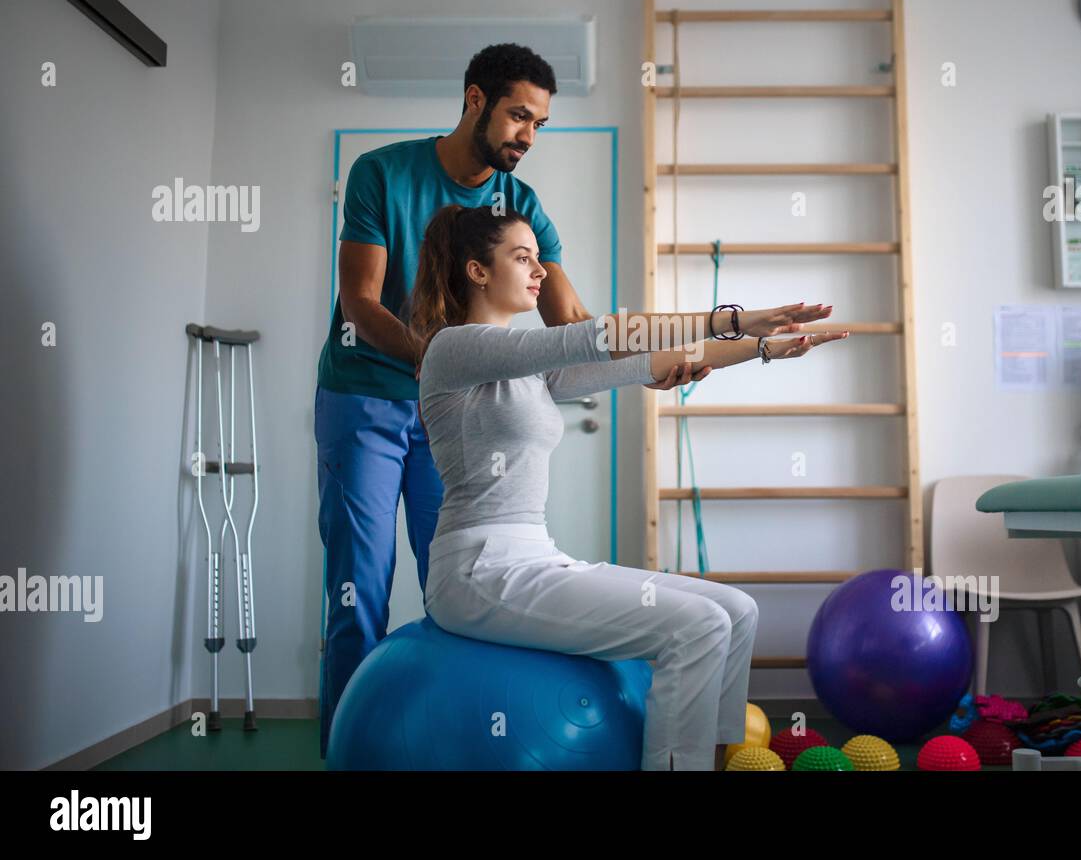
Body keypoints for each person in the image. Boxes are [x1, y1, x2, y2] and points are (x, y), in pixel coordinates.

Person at [313, 43, 701, 758]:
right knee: (358, 588)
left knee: (453, 587)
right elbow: (360, 303)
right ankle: (346, 749)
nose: (529, 134)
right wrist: (439, 361)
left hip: (461, 414)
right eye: (519, 115)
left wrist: (649, 363)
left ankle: (450, 745)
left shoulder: (518, 204)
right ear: (474, 101)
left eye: (540, 123)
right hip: (366, 396)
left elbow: (571, 323)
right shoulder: (381, 172)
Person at [410, 202, 847, 770]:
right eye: (522, 258)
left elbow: (653, 360)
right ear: (477, 271)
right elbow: (600, 336)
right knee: (697, 627)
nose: (540, 271)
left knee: (736, 609)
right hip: (479, 570)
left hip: (535, 556)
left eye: (539, 258)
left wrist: (761, 348)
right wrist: (735, 319)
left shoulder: (529, 368)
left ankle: (715, 759)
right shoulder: (455, 348)